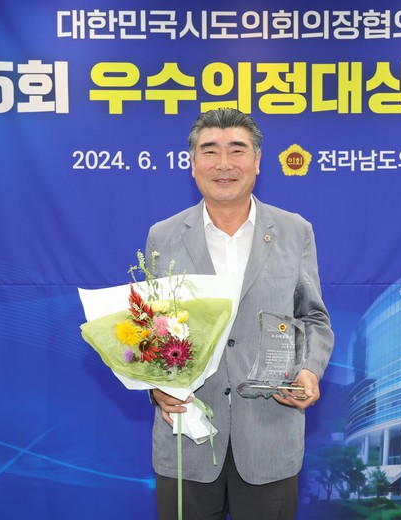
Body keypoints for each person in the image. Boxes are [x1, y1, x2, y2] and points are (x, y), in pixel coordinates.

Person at [146, 108, 334, 520]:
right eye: (210, 151)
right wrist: (155, 387)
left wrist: (309, 371)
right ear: (192, 163)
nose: (224, 164)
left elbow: (314, 319)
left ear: (258, 161)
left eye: (237, 150)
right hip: (188, 436)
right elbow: (152, 331)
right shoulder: (163, 235)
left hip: (270, 435)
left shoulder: (294, 231)